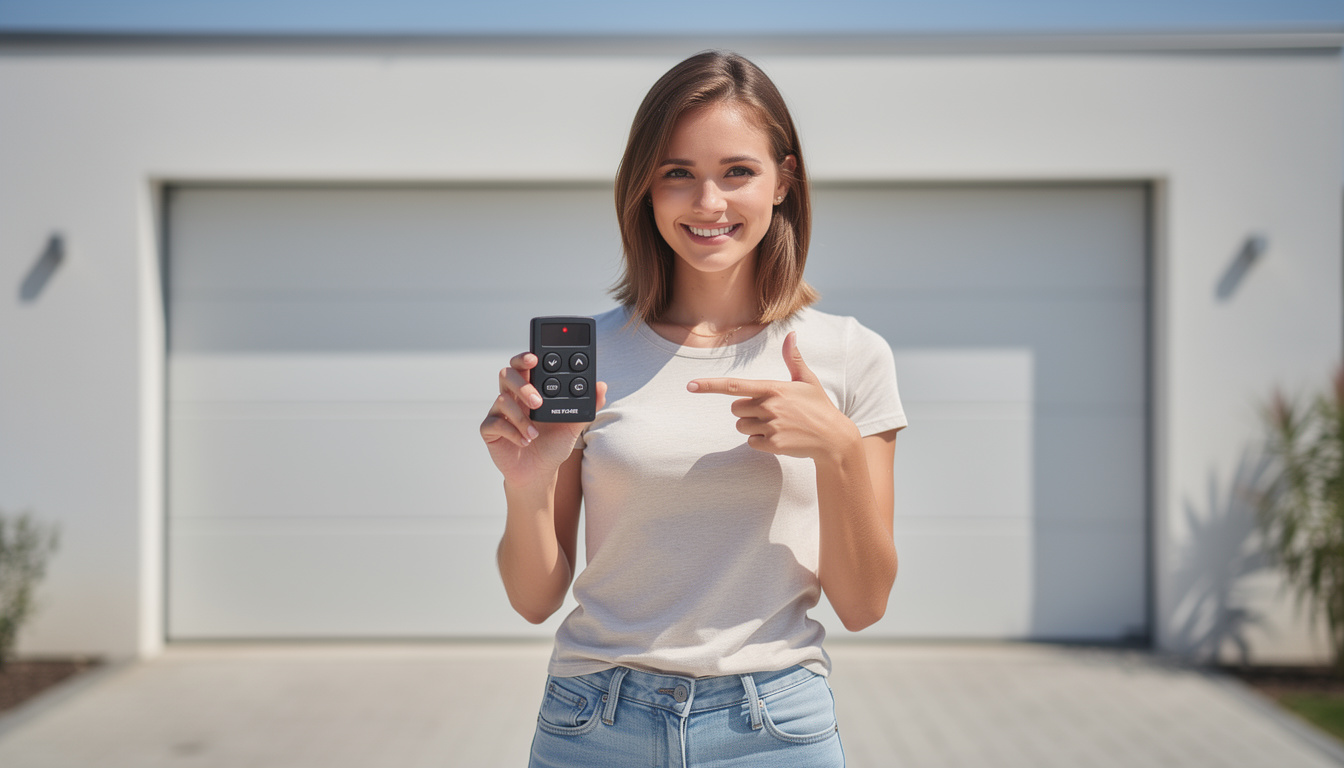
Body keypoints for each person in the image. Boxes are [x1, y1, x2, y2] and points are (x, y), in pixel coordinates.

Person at [479, 50, 906, 768]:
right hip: (593, 723)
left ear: (783, 181)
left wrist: (834, 449)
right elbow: (533, 599)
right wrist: (524, 486)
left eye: (738, 171)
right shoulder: (596, 357)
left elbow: (863, 606)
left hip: (773, 728)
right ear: (645, 187)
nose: (709, 204)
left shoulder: (850, 355)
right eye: (678, 173)